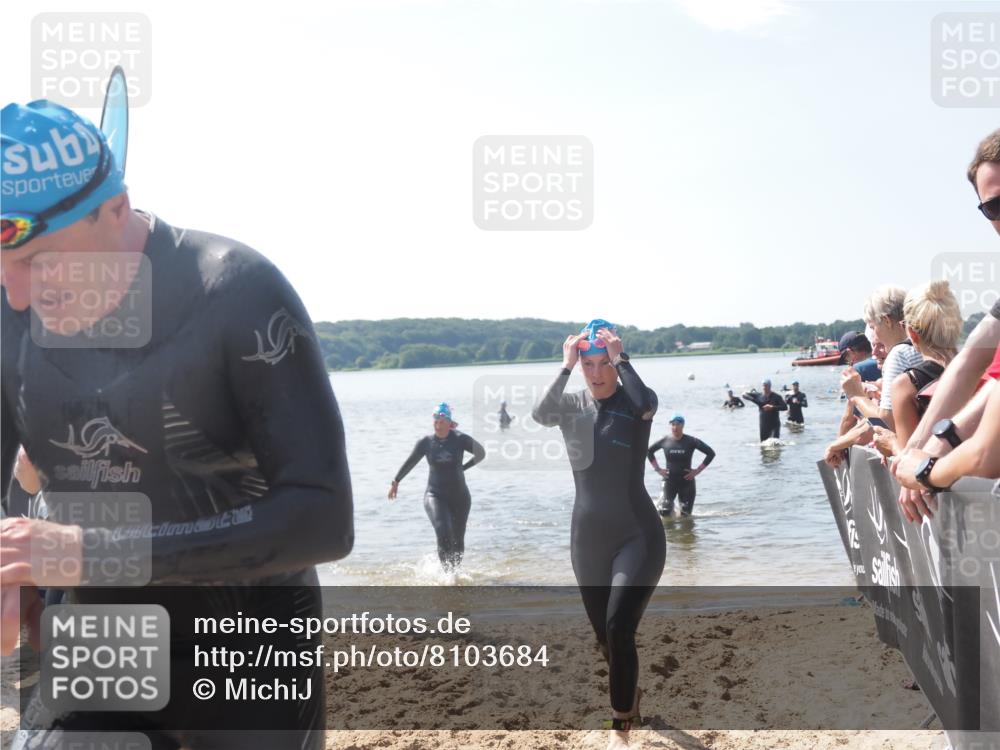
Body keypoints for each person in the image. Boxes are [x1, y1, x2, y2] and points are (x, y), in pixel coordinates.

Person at [0, 100, 354, 748]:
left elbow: (323, 519)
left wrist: (91, 554)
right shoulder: (7, 313)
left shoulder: (234, 292)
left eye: (41, 260)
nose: (18, 294)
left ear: (117, 209)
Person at [532, 319, 663, 750]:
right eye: (588, 364)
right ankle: (631, 695)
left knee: (619, 626)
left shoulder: (634, 400)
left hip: (637, 535)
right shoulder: (571, 405)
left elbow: (646, 405)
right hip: (587, 540)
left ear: (615, 362)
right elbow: (540, 414)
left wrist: (622, 358)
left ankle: (620, 728)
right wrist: (565, 365)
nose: (596, 372)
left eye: (603, 363)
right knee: (606, 638)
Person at [388, 403, 485, 572]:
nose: (438, 424)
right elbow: (411, 462)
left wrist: (463, 468)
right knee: (443, 530)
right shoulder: (426, 442)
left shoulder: (460, 439)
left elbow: (481, 453)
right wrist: (396, 481)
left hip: (460, 497)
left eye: (441, 421)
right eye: (435, 420)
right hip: (435, 495)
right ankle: (447, 575)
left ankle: (454, 573)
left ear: (449, 422)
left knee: (458, 540)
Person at [870, 281, 962, 457]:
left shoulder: (906, 385)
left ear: (911, 332)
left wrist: (891, 443)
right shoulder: (980, 372)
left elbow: (910, 464)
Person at [842, 286, 923, 432]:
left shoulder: (898, 355)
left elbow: (887, 421)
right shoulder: (922, 346)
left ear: (887, 320)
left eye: (873, 327)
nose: (874, 334)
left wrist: (857, 395)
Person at [646, 414, 715, 517]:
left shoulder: (691, 441)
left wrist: (697, 470)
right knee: (664, 511)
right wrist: (658, 469)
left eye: (677, 424)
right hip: (669, 481)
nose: (674, 427)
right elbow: (649, 451)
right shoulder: (665, 440)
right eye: (672, 424)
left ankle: (680, 523)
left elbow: (710, 453)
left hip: (687, 482)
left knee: (685, 516)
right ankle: (672, 516)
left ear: (682, 425)